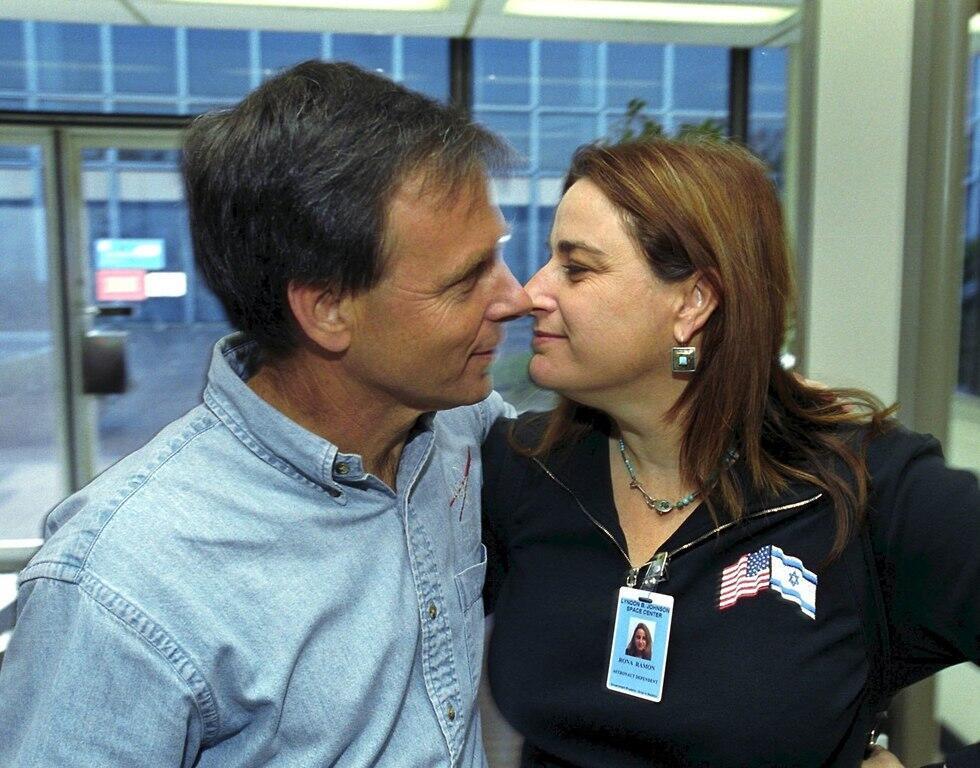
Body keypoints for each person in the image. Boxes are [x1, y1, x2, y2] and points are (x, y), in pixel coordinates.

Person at [0, 60, 531, 767]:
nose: (517, 296)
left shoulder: (461, 429)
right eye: (467, 279)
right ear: (328, 309)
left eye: (496, 257)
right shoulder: (119, 588)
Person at [481, 138, 980, 767]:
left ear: (693, 304)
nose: (532, 292)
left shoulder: (868, 489)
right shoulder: (523, 469)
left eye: (576, 268)